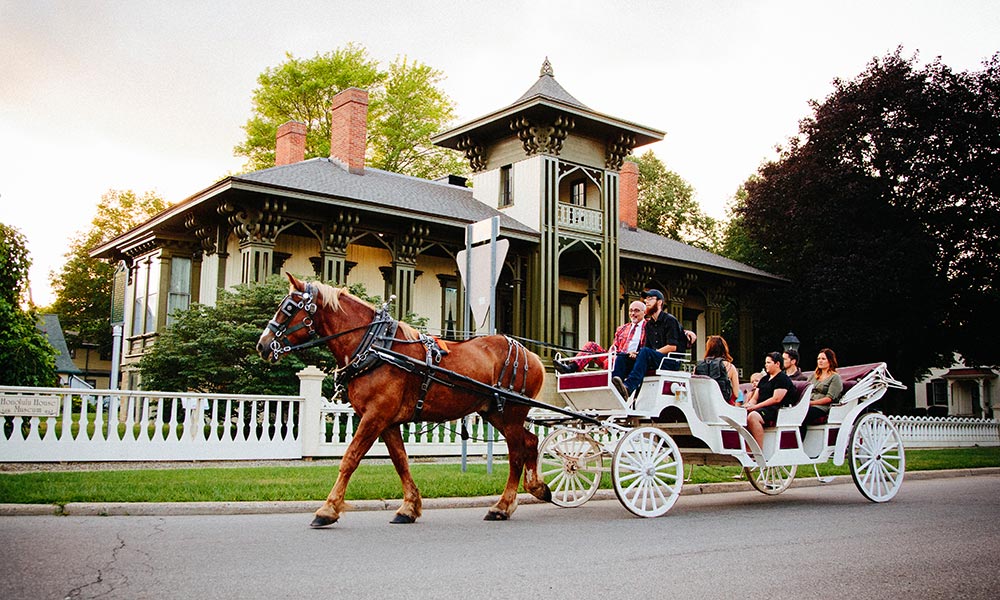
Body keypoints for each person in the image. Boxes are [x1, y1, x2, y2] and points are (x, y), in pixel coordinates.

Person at [612, 289, 688, 398]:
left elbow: (672, 346)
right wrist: (637, 354)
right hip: (653, 359)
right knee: (623, 357)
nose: (647, 302)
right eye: (646, 299)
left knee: (645, 352)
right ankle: (614, 388)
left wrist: (650, 353)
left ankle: (629, 387)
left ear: (659, 302)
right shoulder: (649, 325)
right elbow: (647, 347)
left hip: (670, 361)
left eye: (651, 299)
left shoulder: (670, 320)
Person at [554, 301, 648, 374]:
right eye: (631, 310)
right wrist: (611, 355)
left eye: (636, 310)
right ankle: (571, 368)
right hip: (615, 358)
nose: (633, 313)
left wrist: (637, 354)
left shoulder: (648, 327)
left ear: (644, 312)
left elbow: (648, 347)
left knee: (618, 359)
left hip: (631, 361)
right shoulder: (622, 328)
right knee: (591, 345)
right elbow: (614, 346)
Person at [743, 351, 795, 450]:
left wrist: (755, 407)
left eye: (768, 362)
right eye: (766, 362)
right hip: (761, 408)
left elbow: (776, 399)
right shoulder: (764, 379)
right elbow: (755, 398)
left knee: (753, 416)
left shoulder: (782, 379)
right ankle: (745, 449)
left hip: (776, 410)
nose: (766, 365)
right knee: (741, 414)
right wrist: (748, 405)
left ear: (777, 364)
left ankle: (757, 451)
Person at [800, 348, 844, 438]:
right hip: (806, 404)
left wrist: (811, 403)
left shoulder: (835, 377)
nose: (820, 361)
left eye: (823, 359)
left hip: (821, 407)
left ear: (830, 361)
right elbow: (804, 389)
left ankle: (798, 443)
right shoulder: (813, 376)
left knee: (801, 415)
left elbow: (829, 398)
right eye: (818, 359)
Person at [695, 335, 741, 404]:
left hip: (702, 405)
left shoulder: (698, 366)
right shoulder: (730, 367)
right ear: (724, 348)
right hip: (723, 405)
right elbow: (736, 394)